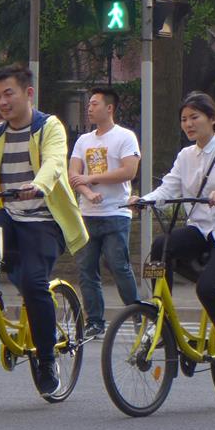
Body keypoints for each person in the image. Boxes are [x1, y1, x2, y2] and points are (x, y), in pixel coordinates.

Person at [0, 64, 87, 398]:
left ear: (28, 93)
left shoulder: (49, 126)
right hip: (9, 214)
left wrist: (37, 186)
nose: (3, 102)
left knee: (35, 283)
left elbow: (54, 163)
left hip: (44, 220)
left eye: (9, 93)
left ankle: (47, 360)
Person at [128, 92, 215, 386]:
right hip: (201, 230)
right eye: (184, 119)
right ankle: (163, 317)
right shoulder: (186, 155)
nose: (188, 124)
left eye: (194, 117)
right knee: (161, 245)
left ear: (213, 118)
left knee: (208, 288)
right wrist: (144, 200)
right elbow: (169, 187)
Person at [69, 87, 140, 338]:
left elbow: (128, 171)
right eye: (88, 104)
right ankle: (95, 321)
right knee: (87, 269)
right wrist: (88, 193)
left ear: (109, 108)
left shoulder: (125, 137)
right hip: (87, 214)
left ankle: (137, 315)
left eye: (95, 104)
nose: (89, 108)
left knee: (118, 265)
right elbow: (73, 175)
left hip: (116, 213)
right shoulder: (83, 141)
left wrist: (92, 178)